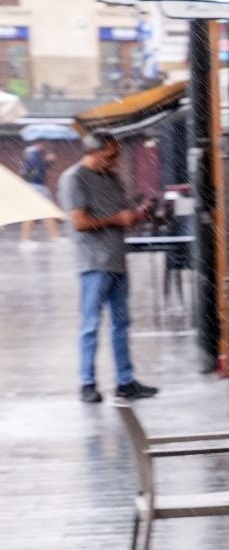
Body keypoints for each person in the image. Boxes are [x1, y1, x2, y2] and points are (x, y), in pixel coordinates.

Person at [60, 133, 156, 404]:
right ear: (93, 151)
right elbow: (79, 222)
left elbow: (125, 215)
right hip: (93, 261)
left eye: (116, 156)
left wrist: (138, 215)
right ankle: (87, 382)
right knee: (90, 323)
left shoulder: (113, 179)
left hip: (116, 258)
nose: (115, 162)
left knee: (121, 323)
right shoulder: (74, 178)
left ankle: (125, 381)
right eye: (110, 156)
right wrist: (117, 218)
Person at [18, 142, 58, 243]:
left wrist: (49, 162)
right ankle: (25, 239)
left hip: (37, 186)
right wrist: (48, 160)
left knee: (47, 212)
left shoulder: (35, 153)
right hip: (35, 186)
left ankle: (55, 237)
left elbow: (40, 170)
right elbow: (38, 169)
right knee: (34, 213)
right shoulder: (33, 153)